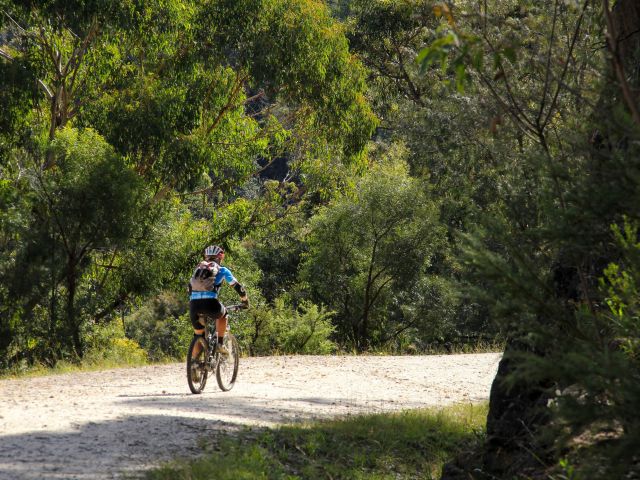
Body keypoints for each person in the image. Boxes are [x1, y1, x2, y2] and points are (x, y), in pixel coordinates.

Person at [189, 245, 249, 358]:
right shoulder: (222, 270)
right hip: (210, 303)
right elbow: (237, 286)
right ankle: (220, 344)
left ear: (206, 257)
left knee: (198, 335)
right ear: (220, 257)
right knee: (224, 314)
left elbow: (190, 287)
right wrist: (245, 300)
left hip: (194, 305)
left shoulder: (198, 269)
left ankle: (193, 366)